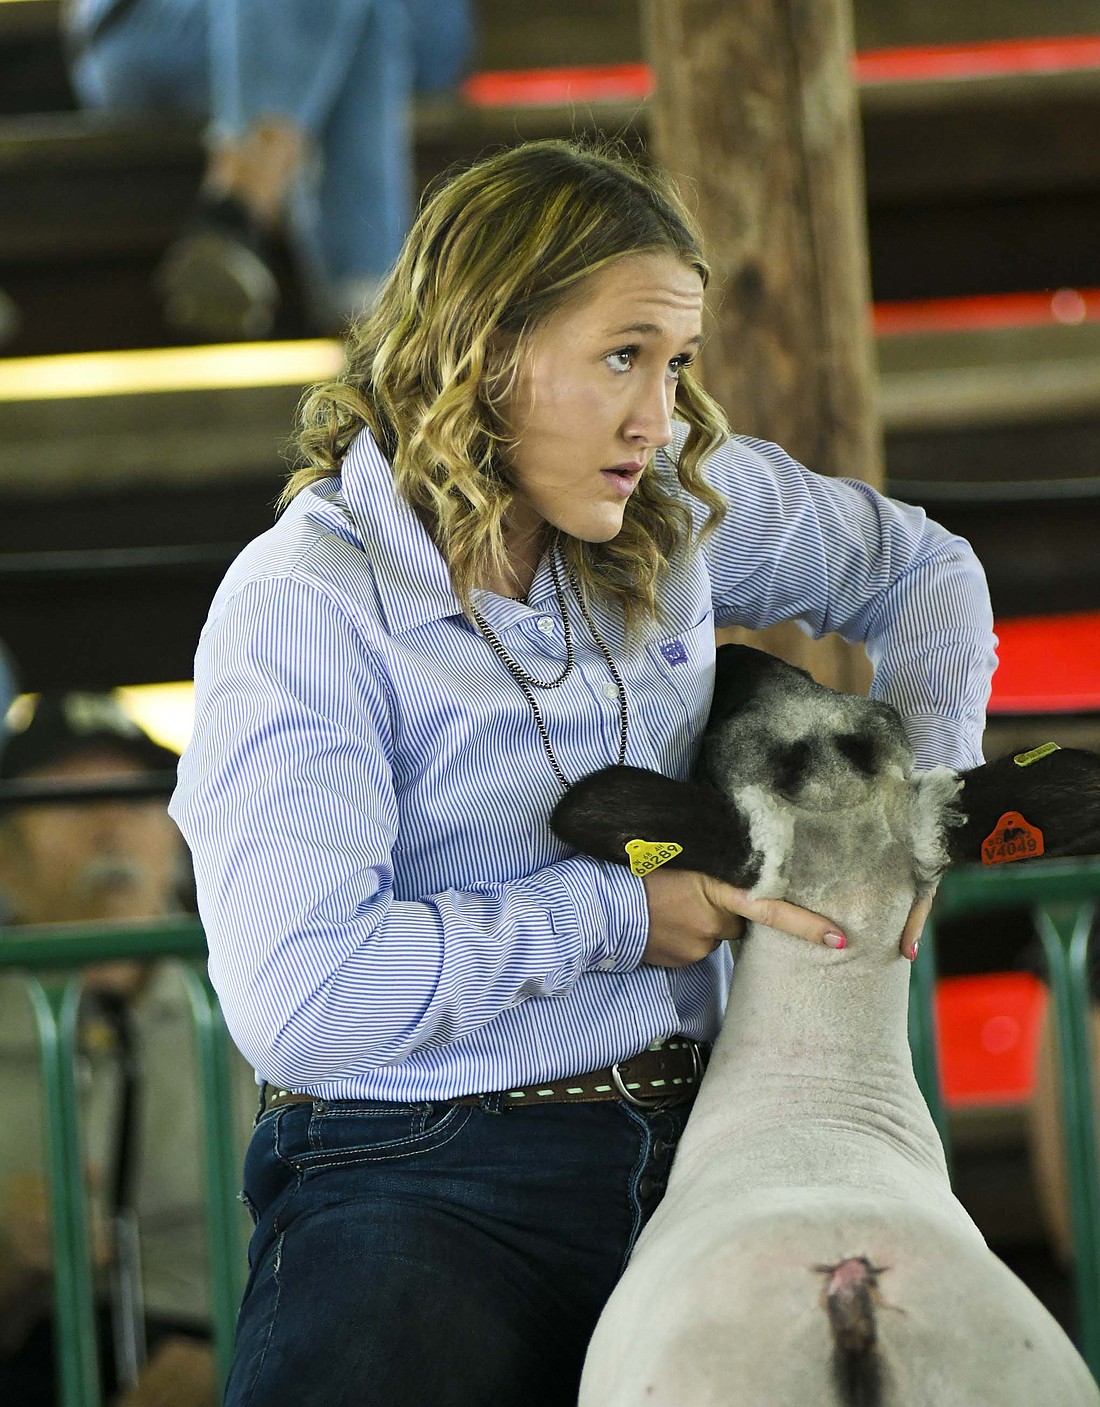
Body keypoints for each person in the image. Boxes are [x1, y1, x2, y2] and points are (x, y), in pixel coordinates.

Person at [168, 137, 999, 1407]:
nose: (657, 418)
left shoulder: (664, 499)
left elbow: (919, 572)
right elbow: (303, 999)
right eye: (621, 357)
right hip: (421, 1180)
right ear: (483, 351)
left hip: (711, 1152)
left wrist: (922, 808)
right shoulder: (304, 606)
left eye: (673, 365)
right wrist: (616, 914)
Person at [0, 693, 254, 1407]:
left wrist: (237, 1358)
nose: (109, 828)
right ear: (2, 856)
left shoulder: (265, 1005)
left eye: (139, 801)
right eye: (66, 802)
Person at [61, 0, 475, 340]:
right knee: (359, 21)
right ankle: (375, 334)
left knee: (357, 18)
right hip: (159, 30)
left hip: (407, 29)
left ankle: (237, 206)